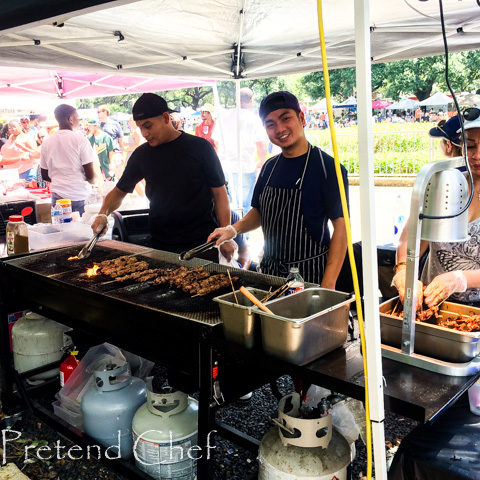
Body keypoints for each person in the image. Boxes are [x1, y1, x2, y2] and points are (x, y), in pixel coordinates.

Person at [208, 91, 348, 287]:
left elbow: (341, 227)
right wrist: (232, 230)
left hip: (310, 276)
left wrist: (328, 285)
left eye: (285, 118)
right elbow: (259, 212)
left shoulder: (327, 168)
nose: (279, 128)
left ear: (301, 118)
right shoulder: (269, 167)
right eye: (270, 124)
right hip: (271, 273)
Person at [91, 93, 234, 260]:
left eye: (148, 126)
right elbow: (119, 191)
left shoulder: (200, 148)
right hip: (161, 244)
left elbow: (219, 193)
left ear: (165, 118)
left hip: (202, 243)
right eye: (140, 127)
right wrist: (103, 214)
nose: (144, 133)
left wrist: (226, 235)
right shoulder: (142, 155)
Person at [393, 109, 480, 308]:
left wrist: (460, 278)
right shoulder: (446, 185)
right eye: (471, 146)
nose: (477, 155)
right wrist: (404, 271)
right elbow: (411, 236)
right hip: (431, 303)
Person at [212, 87, 267, 214]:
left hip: (225, 166)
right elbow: (261, 145)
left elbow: (216, 141)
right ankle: (242, 233)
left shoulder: (223, 116)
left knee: (228, 204)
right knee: (245, 206)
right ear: (251, 100)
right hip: (246, 166)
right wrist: (261, 161)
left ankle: (231, 230)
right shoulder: (254, 118)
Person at [40, 104, 97, 215]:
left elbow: (44, 175)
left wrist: (61, 179)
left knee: (62, 231)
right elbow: (90, 175)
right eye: (77, 118)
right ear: (70, 119)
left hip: (58, 197)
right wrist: (93, 181)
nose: (78, 121)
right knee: (81, 231)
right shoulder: (80, 140)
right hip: (79, 196)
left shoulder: (47, 142)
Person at [97, 105, 125, 176]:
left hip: (115, 154)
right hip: (102, 155)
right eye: (97, 112)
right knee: (106, 178)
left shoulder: (115, 124)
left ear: (105, 112)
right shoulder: (97, 126)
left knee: (119, 176)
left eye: (99, 112)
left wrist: (122, 155)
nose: (98, 114)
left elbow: (121, 141)